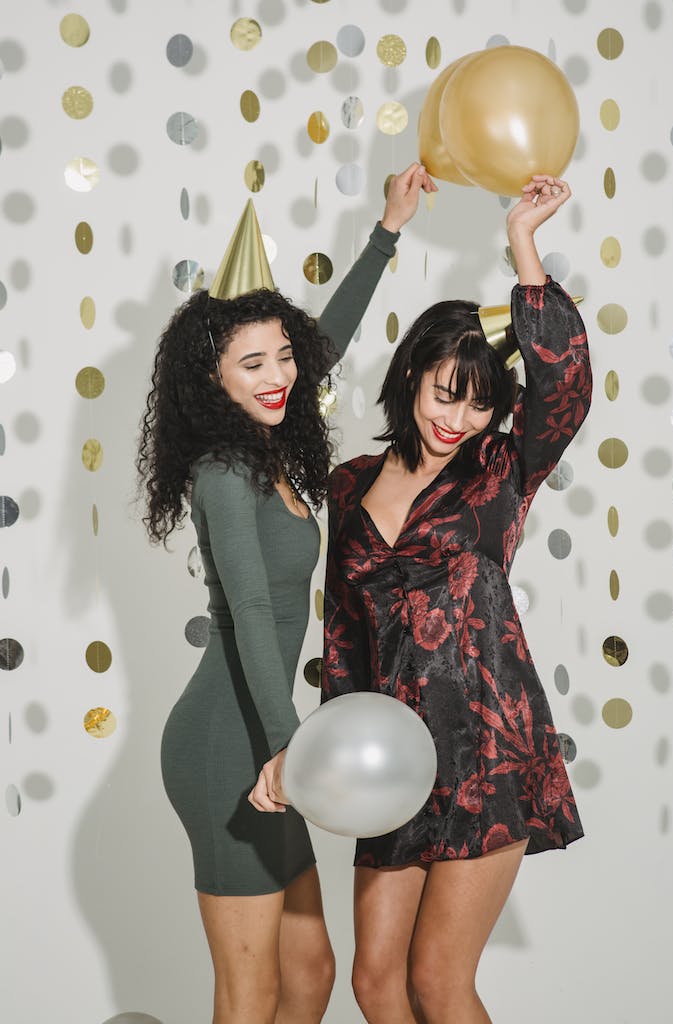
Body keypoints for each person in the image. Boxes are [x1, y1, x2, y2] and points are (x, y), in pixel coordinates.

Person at [136, 162, 437, 1024]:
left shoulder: (268, 448)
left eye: (282, 358)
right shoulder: (224, 471)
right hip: (227, 745)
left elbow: (322, 344)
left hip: (266, 740)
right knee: (253, 991)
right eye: (251, 363)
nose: (276, 376)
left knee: (310, 975)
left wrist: (386, 233)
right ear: (213, 381)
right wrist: (286, 749)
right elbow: (257, 616)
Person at [321, 174, 592, 1024]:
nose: (460, 418)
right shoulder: (348, 485)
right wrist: (332, 762)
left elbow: (566, 389)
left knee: (439, 984)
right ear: (409, 375)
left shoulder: (498, 471)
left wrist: (522, 242)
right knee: (374, 984)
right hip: (390, 760)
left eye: (480, 404)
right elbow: (342, 637)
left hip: (487, 751)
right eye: (446, 392)